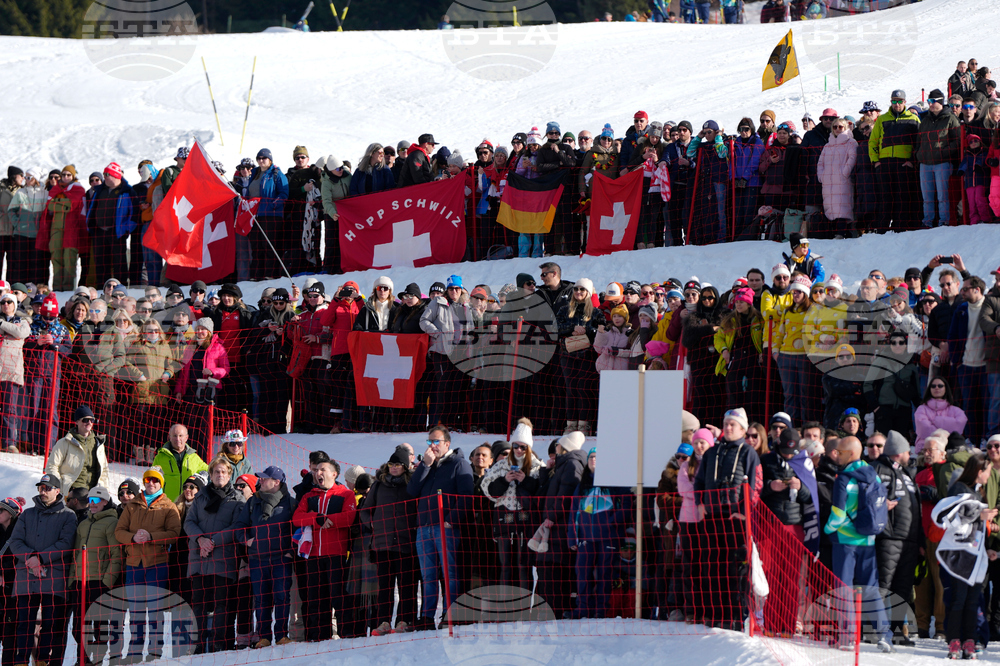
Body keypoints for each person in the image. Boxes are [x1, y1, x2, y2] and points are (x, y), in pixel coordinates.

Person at [824, 436, 894, 652]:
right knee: (871, 588)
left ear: (851, 454)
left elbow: (837, 514)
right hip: (868, 539)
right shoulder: (873, 475)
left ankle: (846, 637)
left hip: (845, 542)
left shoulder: (844, 478)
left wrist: (826, 531)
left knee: (844, 589)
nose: (836, 455)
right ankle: (885, 636)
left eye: (840, 452)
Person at [693, 408, 761, 630]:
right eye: (726, 423)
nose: (728, 427)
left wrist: (745, 510)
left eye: (733, 424)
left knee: (735, 569)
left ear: (742, 428)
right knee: (711, 567)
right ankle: (713, 614)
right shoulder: (712, 452)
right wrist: (700, 504)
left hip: (735, 519)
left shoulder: (748, 452)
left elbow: (755, 484)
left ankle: (734, 617)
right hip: (712, 518)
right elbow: (699, 481)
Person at [932, 452, 998, 659]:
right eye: (987, 471)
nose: (989, 475)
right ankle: (954, 641)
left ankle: (970, 640)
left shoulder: (979, 492)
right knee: (958, 600)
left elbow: (977, 528)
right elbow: (947, 518)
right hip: (959, 556)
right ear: (979, 472)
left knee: (973, 601)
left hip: (976, 556)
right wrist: (980, 514)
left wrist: (986, 547)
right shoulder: (960, 489)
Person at [406, 426, 473, 631]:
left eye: (436, 442)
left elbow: (466, 495)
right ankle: (426, 617)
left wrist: (451, 520)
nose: (432, 446)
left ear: (447, 444)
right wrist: (425, 466)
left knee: (449, 573)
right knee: (428, 575)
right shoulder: (427, 465)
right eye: (429, 442)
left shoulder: (459, 464)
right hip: (423, 527)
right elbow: (411, 491)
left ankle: (449, 615)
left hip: (445, 528)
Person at [7, 473, 76, 666]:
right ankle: (21, 661)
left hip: (53, 578)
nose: (43, 491)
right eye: (41, 488)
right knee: (24, 624)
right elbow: (15, 541)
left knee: (50, 624)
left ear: (57, 491)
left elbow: (66, 543)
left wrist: (41, 558)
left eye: (47, 488)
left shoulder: (68, 515)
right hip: (26, 578)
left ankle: (42, 661)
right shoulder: (27, 514)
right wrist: (30, 558)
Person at [292, 454, 357, 641]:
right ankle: (318, 636)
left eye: (323, 470)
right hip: (312, 555)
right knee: (316, 598)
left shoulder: (346, 493)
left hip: (336, 553)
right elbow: (297, 518)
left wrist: (327, 519)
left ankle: (346, 634)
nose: (318, 473)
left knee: (338, 596)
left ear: (334, 474)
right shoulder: (309, 495)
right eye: (316, 470)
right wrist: (317, 518)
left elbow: (348, 518)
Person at [184, 456, 245, 653]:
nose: (220, 475)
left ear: (229, 475)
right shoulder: (200, 496)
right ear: (210, 475)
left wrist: (213, 542)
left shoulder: (237, 498)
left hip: (223, 557)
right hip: (199, 558)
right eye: (216, 472)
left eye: (223, 472)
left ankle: (220, 644)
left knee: (222, 604)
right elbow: (189, 522)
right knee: (199, 604)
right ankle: (199, 644)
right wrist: (200, 539)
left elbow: (237, 526)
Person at [229, 465, 293, 648]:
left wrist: (291, 551)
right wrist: (246, 539)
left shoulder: (290, 502)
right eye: (261, 478)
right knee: (261, 598)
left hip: (281, 559)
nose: (261, 481)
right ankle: (264, 636)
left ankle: (282, 635)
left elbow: (298, 529)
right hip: (258, 559)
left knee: (282, 596)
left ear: (277, 482)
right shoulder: (252, 502)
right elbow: (239, 526)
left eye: (265, 478)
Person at [361, 447, 418, 636]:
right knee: (385, 586)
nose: (394, 468)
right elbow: (366, 510)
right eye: (391, 464)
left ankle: (405, 620)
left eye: (398, 465)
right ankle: (383, 622)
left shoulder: (412, 485)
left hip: (406, 542)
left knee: (406, 585)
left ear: (405, 466)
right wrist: (373, 525)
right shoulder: (379, 484)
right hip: (382, 543)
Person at [482, 419, 542, 592]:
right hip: (503, 519)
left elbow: (542, 492)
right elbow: (489, 490)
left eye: (523, 447)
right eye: (516, 446)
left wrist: (526, 481)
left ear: (529, 448)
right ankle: (505, 608)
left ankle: (524, 608)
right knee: (506, 565)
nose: (519, 450)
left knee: (523, 565)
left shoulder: (537, 466)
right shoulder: (500, 465)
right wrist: (504, 480)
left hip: (526, 520)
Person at [70, 486, 121, 649]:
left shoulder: (112, 522)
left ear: (105, 502)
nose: (92, 503)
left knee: (100, 628)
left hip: (98, 581)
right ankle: (82, 659)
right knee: (79, 628)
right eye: (90, 500)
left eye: (96, 500)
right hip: (80, 581)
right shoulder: (84, 524)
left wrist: (107, 582)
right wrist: (72, 579)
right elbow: (76, 553)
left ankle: (95, 659)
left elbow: (116, 554)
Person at [868, 90, 920, 232]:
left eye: (899, 101)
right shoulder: (882, 119)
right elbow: (872, 141)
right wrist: (876, 162)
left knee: (902, 196)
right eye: (894, 101)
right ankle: (882, 229)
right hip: (885, 164)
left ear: (905, 102)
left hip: (904, 163)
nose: (897, 104)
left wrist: (912, 161)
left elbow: (919, 143)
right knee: (885, 196)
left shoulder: (914, 119)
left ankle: (900, 227)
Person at [947, 276, 989, 445]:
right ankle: (973, 439)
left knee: (988, 405)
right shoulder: (961, 309)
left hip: (987, 365)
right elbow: (952, 336)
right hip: (966, 366)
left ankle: (987, 439)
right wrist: (957, 361)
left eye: (965, 289)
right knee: (969, 406)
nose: (961, 292)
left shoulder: (990, 306)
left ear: (976, 290)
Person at [45, 405, 112, 497]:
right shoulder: (64, 443)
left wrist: (104, 490)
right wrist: (60, 487)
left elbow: (104, 469)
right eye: (85, 420)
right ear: (76, 421)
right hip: (72, 492)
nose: (89, 423)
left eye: (92, 420)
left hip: (94, 492)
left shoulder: (98, 444)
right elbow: (51, 466)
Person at [248, 149, 289, 280]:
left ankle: (270, 274)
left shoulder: (276, 174)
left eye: (264, 158)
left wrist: (272, 205)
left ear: (270, 159)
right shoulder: (254, 173)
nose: (261, 160)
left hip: (271, 214)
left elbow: (283, 194)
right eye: (258, 158)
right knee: (256, 245)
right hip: (255, 214)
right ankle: (256, 275)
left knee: (269, 245)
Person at [0, 293, 28, 452]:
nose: (6, 304)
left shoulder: (23, 321)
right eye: (3, 302)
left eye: (9, 302)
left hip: (12, 372)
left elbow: (21, 333)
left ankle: (9, 442)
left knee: (9, 409)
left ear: (14, 305)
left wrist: (2, 324)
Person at [150, 424, 209, 501]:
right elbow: (152, 480)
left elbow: (210, 470)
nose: (177, 439)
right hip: (167, 503)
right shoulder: (160, 458)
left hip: (188, 504)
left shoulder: (194, 457)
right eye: (174, 436)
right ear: (169, 437)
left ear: (186, 438)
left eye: (180, 436)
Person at [914, 377, 968, 452]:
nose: (936, 388)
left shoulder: (956, 410)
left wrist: (937, 421)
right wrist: (947, 428)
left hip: (949, 448)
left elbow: (959, 426)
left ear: (946, 388)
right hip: (926, 448)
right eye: (933, 386)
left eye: (940, 386)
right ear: (929, 389)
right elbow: (923, 429)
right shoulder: (921, 408)